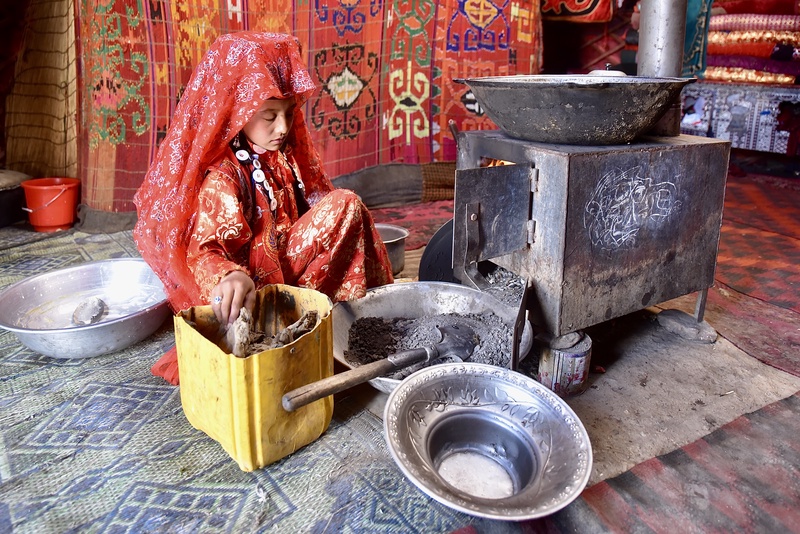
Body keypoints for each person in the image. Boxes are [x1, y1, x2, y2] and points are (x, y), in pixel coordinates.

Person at [133, 32, 394, 384]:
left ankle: (366, 316)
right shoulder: (225, 175)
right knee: (345, 205)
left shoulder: (281, 156)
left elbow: (306, 207)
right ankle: (309, 324)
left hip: (287, 266)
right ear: (236, 112)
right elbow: (205, 251)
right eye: (269, 115)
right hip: (254, 294)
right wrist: (229, 276)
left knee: (348, 209)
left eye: (288, 113)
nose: (283, 127)